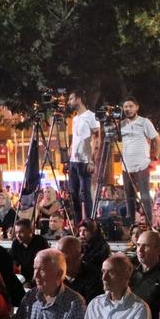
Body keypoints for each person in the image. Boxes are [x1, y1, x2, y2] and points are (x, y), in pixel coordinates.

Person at [118, 98, 160, 229]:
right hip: (126, 166)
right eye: (125, 107)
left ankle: (148, 224)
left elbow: (157, 140)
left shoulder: (144, 122)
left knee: (145, 196)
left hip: (142, 164)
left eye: (130, 106)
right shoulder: (121, 124)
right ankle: (131, 225)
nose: (128, 109)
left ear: (137, 107)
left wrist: (155, 158)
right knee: (128, 197)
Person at [67, 90, 102, 221]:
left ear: (78, 99)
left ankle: (89, 223)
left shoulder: (91, 117)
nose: (69, 102)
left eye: (71, 99)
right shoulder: (75, 118)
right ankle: (77, 224)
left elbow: (97, 139)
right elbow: (76, 137)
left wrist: (92, 161)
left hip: (85, 160)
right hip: (73, 161)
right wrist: (71, 149)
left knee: (85, 194)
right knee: (73, 194)